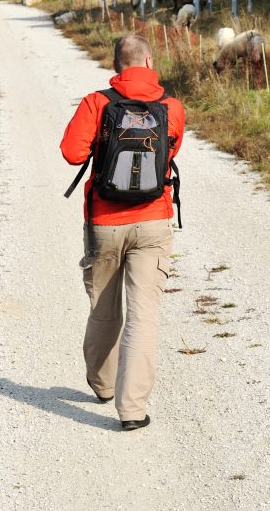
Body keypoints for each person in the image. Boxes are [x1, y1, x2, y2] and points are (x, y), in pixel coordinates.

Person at [60, 34, 185, 431]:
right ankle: (132, 409)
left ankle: (101, 385)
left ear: (116, 67)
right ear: (149, 61)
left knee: (104, 308)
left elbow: (71, 153)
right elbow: (170, 151)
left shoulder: (97, 103)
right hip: (153, 220)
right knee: (143, 317)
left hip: (104, 224)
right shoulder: (172, 107)